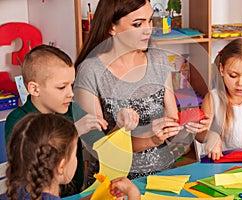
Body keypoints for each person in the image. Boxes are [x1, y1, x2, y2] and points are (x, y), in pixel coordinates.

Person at [73, 0, 186, 180]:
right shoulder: (91, 70)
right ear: (112, 27)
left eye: (150, 20)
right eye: (138, 24)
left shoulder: (159, 60)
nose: (148, 29)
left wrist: (191, 127)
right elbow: (96, 147)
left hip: (165, 178)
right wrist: (148, 138)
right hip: (115, 182)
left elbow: (174, 127)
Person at [4, 44, 107, 196]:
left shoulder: (72, 109)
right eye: (61, 87)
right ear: (34, 89)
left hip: (75, 194)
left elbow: (101, 144)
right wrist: (74, 131)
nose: (71, 93)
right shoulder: (19, 120)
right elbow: (30, 166)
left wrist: (120, 126)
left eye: (71, 85)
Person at [0, 113, 140, 200]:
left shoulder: (19, 191)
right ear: (61, 165)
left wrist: (93, 197)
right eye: (74, 154)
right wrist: (134, 194)